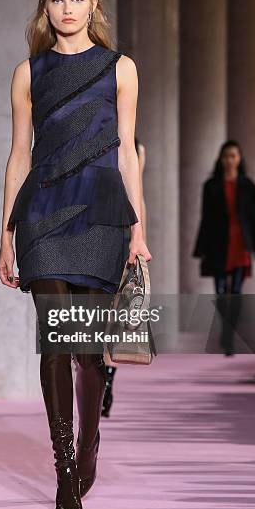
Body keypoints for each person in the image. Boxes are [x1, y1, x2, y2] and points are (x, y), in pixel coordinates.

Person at [0, 0, 152, 509]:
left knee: (88, 352)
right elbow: (19, 154)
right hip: (43, 212)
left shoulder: (120, 69)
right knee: (56, 340)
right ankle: (64, 467)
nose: (67, 9)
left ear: (93, 6)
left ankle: (88, 449)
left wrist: (139, 230)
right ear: (46, 8)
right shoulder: (27, 74)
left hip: (102, 214)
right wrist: (6, 233)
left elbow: (128, 153)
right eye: (57, 0)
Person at [192, 140, 255, 354]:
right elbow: (205, 218)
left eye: (233, 156)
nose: (230, 160)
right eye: (226, 156)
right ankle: (226, 332)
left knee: (235, 291)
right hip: (218, 245)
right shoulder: (211, 186)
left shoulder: (250, 187)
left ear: (239, 159)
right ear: (220, 159)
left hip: (241, 244)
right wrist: (201, 248)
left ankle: (229, 335)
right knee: (221, 292)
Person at [102, 135, 147, 417]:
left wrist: (139, 237)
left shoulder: (135, 147)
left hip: (126, 222)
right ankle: (103, 376)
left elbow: (137, 193)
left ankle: (107, 378)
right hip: (102, 223)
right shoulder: (101, 137)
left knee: (115, 312)